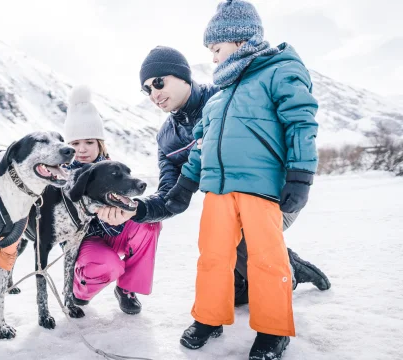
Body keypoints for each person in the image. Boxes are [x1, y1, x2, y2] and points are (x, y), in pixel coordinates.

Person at [164, 0, 321, 357]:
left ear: (239, 40)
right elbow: (201, 147)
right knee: (213, 256)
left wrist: (300, 175)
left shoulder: (279, 70)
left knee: (266, 258)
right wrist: (185, 185)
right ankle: (209, 317)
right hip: (218, 191)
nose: (213, 59)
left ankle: (273, 330)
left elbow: (301, 122)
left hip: (260, 187)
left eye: (216, 50)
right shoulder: (218, 97)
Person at [136, 44, 330, 305]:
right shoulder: (166, 138)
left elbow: (294, 121)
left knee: (236, 235)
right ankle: (274, 266)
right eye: (147, 89)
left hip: (276, 194)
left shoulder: (226, 96)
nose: (154, 94)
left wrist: (299, 176)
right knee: (233, 276)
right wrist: (136, 209)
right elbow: (170, 193)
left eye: (159, 83)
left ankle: (286, 270)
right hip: (229, 207)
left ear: (184, 76)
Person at [63, 85, 162, 315]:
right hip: (83, 240)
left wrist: (122, 216)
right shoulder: (63, 176)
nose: (82, 149)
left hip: (114, 232)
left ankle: (127, 289)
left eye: (89, 142)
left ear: (100, 143)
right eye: (75, 144)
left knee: (148, 224)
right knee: (107, 266)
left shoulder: (114, 169)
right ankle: (81, 288)